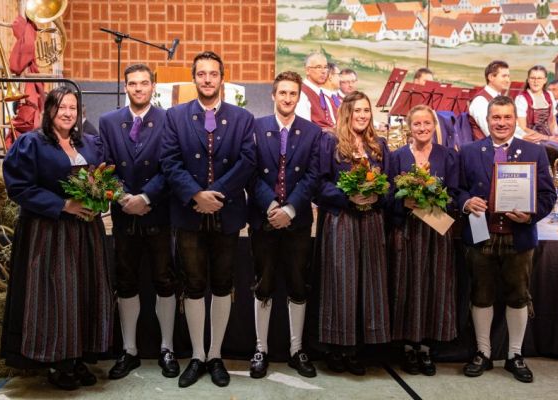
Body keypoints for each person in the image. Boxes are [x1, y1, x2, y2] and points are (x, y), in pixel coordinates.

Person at [1, 86, 113, 391]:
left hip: (86, 232)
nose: (67, 113)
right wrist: (63, 204)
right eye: (61, 107)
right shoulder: (31, 143)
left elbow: (102, 179)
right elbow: (19, 188)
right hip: (49, 233)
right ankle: (56, 361)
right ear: (49, 110)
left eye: (72, 108)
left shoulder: (89, 143)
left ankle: (78, 357)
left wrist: (98, 200)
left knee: (84, 293)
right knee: (56, 297)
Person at [160, 51, 256, 388]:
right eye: (201, 74)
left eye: (213, 74)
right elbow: (169, 161)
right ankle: (198, 355)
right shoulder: (175, 116)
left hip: (226, 213)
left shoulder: (242, 118)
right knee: (194, 284)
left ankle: (216, 355)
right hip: (189, 213)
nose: (207, 79)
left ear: (222, 78)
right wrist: (195, 195)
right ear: (194, 78)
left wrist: (216, 194)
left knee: (223, 285)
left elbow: (247, 162)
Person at [457, 96, 556, 383]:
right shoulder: (469, 151)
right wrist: (466, 202)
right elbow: (456, 189)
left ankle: (515, 355)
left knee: (518, 296)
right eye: (496, 117)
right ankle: (483, 353)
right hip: (480, 233)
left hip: (519, 236)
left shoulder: (535, 151)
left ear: (515, 119)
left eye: (507, 117)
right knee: (481, 294)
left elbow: (548, 195)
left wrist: (530, 215)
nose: (501, 123)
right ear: (487, 120)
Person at [99, 64, 179, 380]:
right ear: (125, 87)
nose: (138, 88)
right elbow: (103, 165)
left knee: (165, 280)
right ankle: (129, 350)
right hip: (123, 215)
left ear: (153, 86)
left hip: (157, 212)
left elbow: (172, 165)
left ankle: (167, 348)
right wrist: (122, 198)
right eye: (133, 83)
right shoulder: (108, 121)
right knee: (126, 281)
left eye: (144, 83)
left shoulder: (169, 119)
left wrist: (145, 197)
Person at [248, 71, 321, 379]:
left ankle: (296, 350)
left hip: (297, 220)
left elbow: (313, 176)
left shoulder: (312, 132)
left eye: (293, 93)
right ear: (273, 95)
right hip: (264, 218)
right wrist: (271, 206)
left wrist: (289, 209)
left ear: (299, 97)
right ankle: (260, 349)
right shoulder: (255, 127)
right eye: (283, 93)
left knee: (298, 285)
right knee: (263, 284)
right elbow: (250, 172)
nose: (288, 98)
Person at [317, 91, 391, 375]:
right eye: (357, 110)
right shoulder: (331, 142)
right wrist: (347, 196)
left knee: (369, 283)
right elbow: (320, 184)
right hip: (342, 219)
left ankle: (360, 348)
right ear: (347, 112)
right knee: (342, 282)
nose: (362, 115)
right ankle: (338, 348)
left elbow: (390, 184)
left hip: (371, 220)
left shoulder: (378, 145)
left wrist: (377, 195)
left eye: (366, 110)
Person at [388, 105, 458, 376]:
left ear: (434, 125)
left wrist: (438, 200)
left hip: (436, 231)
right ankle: (408, 347)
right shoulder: (397, 157)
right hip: (406, 231)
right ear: (409, 127)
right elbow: (387, 195)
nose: (422, 128)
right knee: (407, 286)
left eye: (427, 123)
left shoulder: (447, 155)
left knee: (434, 286)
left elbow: (455, 193)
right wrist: (402, 202)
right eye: (417, 124)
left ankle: (427, 349)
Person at [515, 65, 558, 165]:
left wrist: (555, 136)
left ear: (545, 80)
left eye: (539, 78)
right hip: (531, 138)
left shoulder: (549, 95)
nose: (536, 81)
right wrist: (548, 138)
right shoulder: (521, 99)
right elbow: (523, 128)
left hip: (548, 136)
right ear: (528, 80)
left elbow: (552, 121)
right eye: (533, 78)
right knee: (556, 151)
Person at [468, 60, 511, 140]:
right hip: (487, 146)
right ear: (491, 77)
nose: (508, 80)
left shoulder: (500, 98)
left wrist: (525, 137)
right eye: (504, 76)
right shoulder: (480, 101)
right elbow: (492, 132)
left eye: (508, 76)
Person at [295, 52, 338, 131]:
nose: (324, 71)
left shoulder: (324, 94)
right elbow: (304, 128)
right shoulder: (301, 93)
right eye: (318, 67)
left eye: (325, 67)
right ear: (307, 70)